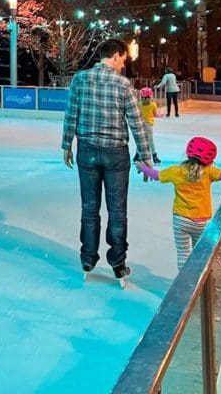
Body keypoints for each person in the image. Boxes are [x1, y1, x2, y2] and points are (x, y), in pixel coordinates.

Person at [62, 38, 153, 282]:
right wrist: (145, 156)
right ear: (115, 56)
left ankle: (88, 257)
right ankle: (118, 262)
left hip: (87, 151)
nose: (123, 65)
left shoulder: (79, 80)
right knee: (117, 210)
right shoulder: (123, 84)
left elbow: (71, 114)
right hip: (115, 153)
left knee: (89, 207)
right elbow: (137, 123)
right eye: (123, 59)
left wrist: (66, 145)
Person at [136, 137, 221, 271]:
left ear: (188, 153)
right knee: (198, 253)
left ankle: (183, 283)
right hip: (200, 221)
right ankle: (199, 282)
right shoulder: (209, 172)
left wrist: (143, 168)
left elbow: (156, 175)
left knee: (183, 253)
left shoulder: (176, 171)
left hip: (180, 220)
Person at [136, 87, 161, 165]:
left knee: (140, 140)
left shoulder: (139, 103)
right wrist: (160, 114)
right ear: (150, 96)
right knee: (150, 141)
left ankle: (137, 156)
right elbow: (156, 114)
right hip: (148, 125)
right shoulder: (153, 104)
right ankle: (154, 157)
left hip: (140, 124)